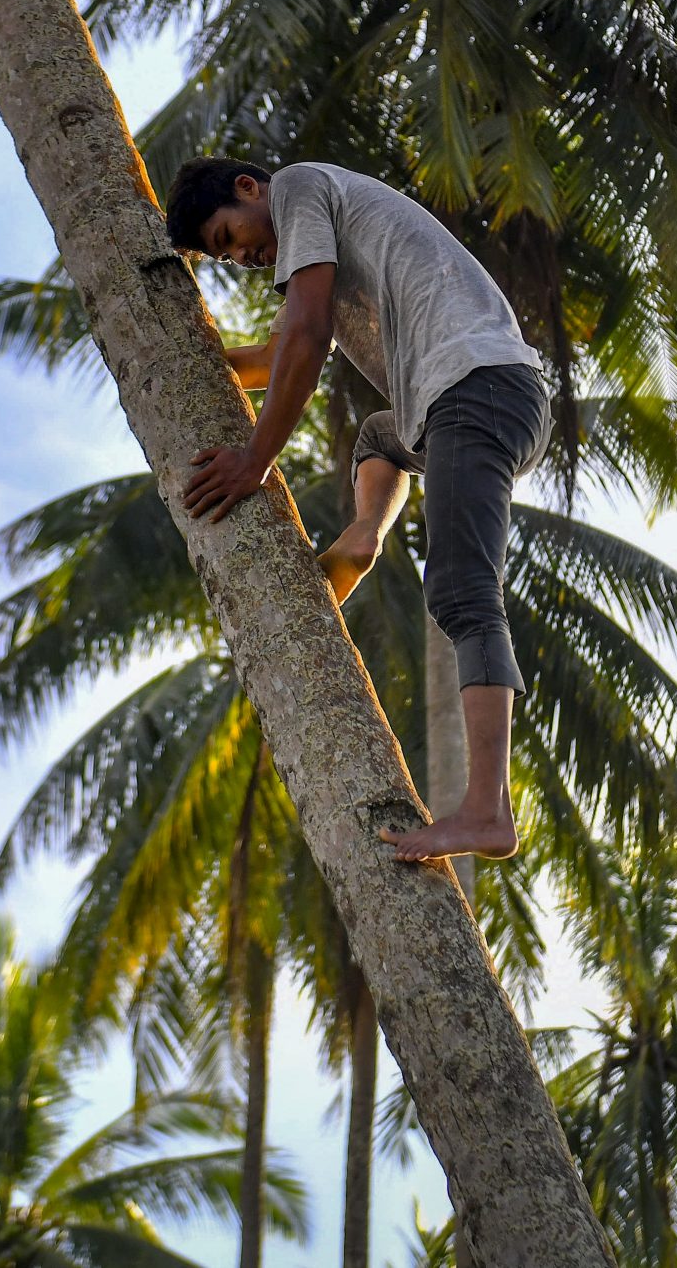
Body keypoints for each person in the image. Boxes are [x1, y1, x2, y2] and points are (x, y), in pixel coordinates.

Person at [163, 155, 550, 863]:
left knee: (463, 590)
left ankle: (486, 813)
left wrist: (255, 461)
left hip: (478, 385)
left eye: (230, 236)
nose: (244, 257)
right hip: (466, 399)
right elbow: (280, 348)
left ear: (251, 189)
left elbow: (306, 341)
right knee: (380, 435)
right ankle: (364, 538)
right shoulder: (323, 242)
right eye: (227, 257)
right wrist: (194, 357)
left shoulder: (302, 187)